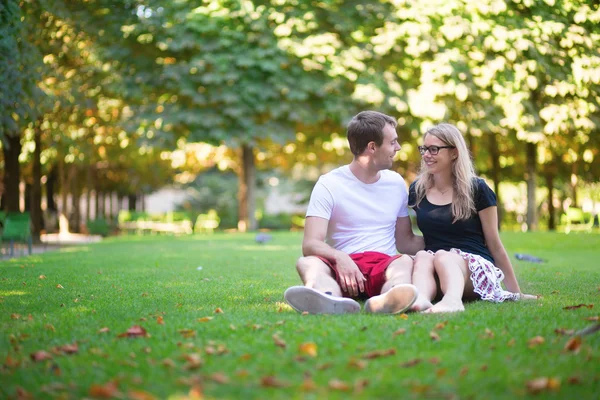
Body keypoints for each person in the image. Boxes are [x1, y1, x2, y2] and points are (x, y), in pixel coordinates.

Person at [284, 111, 424, 314]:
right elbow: (310, 243)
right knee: (307, 263)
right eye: (392, 142)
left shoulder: (395, 183)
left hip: (383, 265)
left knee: (403, 262)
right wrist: (340, 258)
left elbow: (405, 242)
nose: (398, 147)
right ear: (372, 147)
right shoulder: (329, 184)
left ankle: (387, 299)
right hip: (341, 269)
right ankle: (329, 297)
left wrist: (453, 241)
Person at [408, 123, 536, 313]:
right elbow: (412, 241)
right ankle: (421, 301)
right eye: (424, 149)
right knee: (422, 256)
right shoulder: (417, 190)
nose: (426, 154)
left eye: (434, 149)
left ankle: (453, 302)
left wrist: (515, 293)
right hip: (436, 265)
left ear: (454, 152)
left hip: (474, 268)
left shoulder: (477, 189)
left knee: (444, 256)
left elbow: (494, 243)